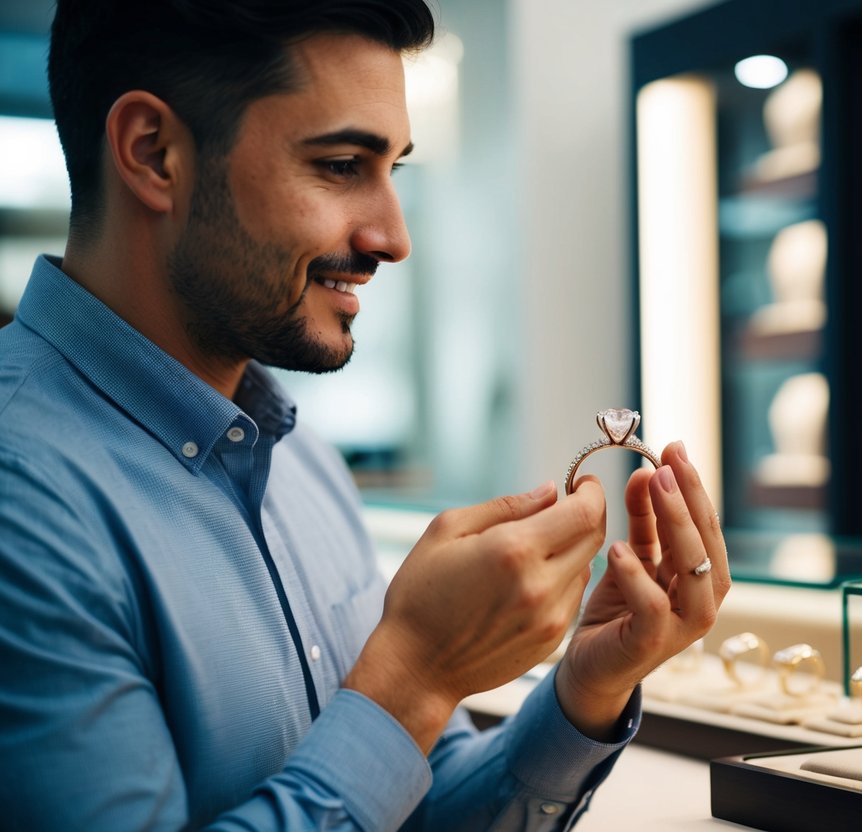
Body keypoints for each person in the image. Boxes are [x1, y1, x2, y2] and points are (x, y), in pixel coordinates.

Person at [0, 0, 730, 829]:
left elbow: (409, 803)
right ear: (153, 154)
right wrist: (414, 676)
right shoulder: (20, 497)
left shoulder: (301, 458)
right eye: (343, 165)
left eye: (396, 171)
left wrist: (586, 690)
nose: (393, 236)